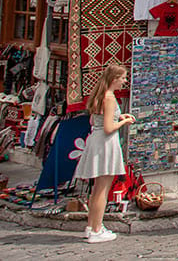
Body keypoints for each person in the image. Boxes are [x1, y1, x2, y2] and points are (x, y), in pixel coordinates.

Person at [74, 64, 135, 244]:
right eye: (123, 78)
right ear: (114, 78)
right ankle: (97, 229)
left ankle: (91, 226)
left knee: (97, 189)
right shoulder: (109, 98)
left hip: (97, 139)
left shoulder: (100, 95)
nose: (124, 81)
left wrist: (120, 116)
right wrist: (124, 122)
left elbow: (98, 120)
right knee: (102, 189)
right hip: (105, 143)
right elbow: (109, 128)